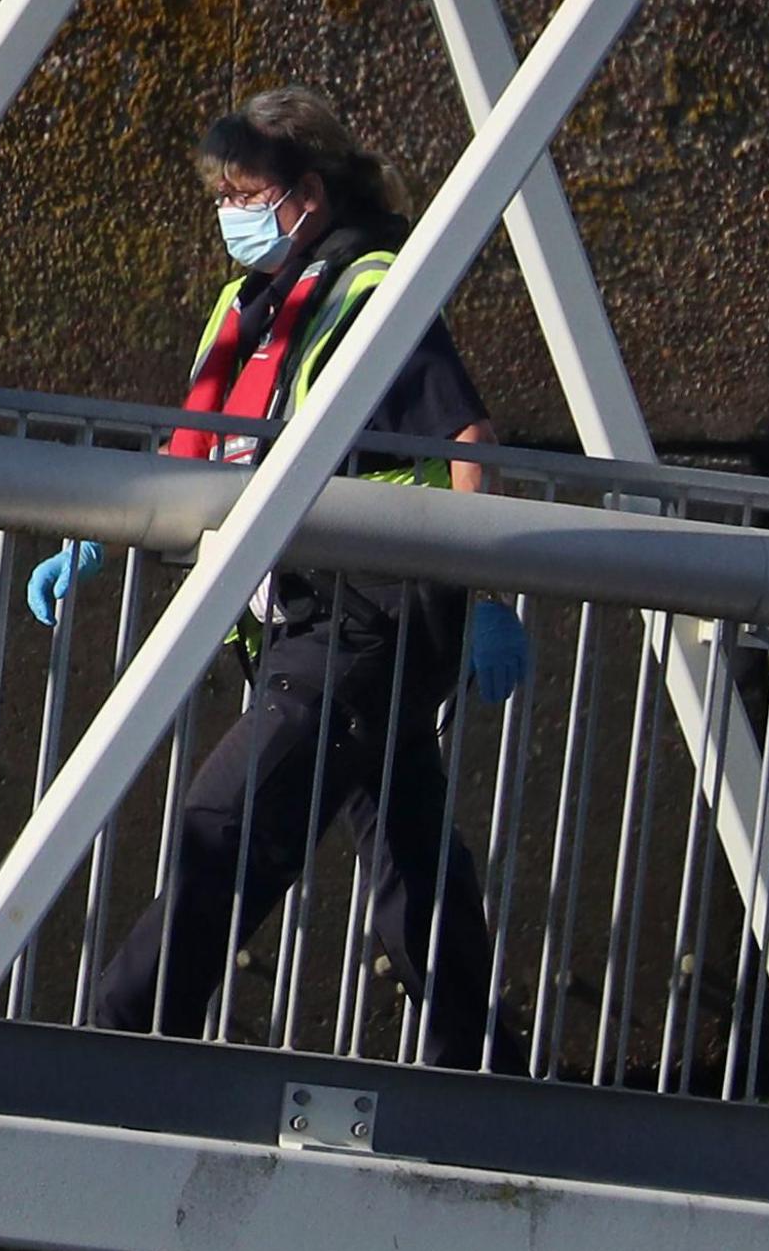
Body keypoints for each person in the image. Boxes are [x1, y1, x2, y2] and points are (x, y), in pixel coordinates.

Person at [27, 86, 530, 1067]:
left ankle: (117, 1047)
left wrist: (481, 593)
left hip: (364, 612)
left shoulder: (373, 289)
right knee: (411, 857)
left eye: (242, 192)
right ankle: (489, 1077)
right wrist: (96, 538)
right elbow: (197, 450)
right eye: (220, 194)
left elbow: (466, 436)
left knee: (227, 818)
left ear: (302, 194)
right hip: (300, 618)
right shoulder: (250, 304)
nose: (229, 213)